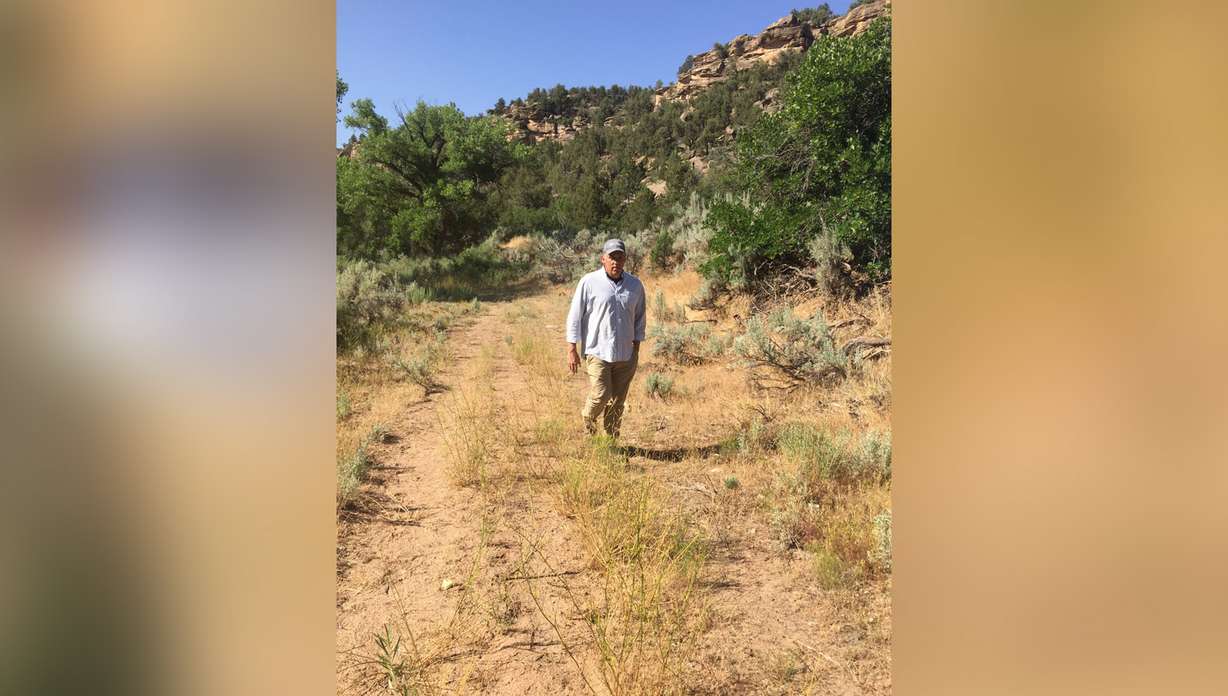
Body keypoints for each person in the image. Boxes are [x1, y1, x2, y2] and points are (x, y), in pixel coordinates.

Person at [565, 238, 647, 438]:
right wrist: (572, 349)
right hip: (597, 351)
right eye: (611, 257)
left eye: (620, 257)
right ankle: (588, 418)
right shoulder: (589, 282)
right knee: (602, 394)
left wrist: (636, 347)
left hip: (626, 354)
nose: (615, 262)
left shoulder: (635, 285)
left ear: (625, 259)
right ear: (603, 259)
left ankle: (610, 441)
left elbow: (640, 317)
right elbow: (575, 315)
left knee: (618, 400)